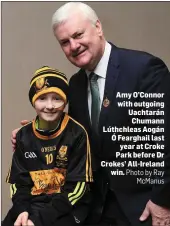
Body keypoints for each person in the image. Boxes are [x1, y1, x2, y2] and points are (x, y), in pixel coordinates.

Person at [11, 2, 170, 226]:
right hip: (96, 210)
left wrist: (162, 201)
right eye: (65, 42)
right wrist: (34, 135)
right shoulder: (75, 85)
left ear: (98, 27)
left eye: (78, 35)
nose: (74, 46)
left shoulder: (143, 69)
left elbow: (163, 140)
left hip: (144, 208)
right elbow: (73, 139)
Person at [4, 66, 93, 226]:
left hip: (67, 206)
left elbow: (78, 188)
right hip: (32, 204)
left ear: (65, 101)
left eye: (57, 98)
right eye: (42, 98)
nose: (50, 105)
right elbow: (19, 183)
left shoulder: (77, 133)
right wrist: (23, 211)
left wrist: (38, 220)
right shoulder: (23, 136)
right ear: (33, 100)